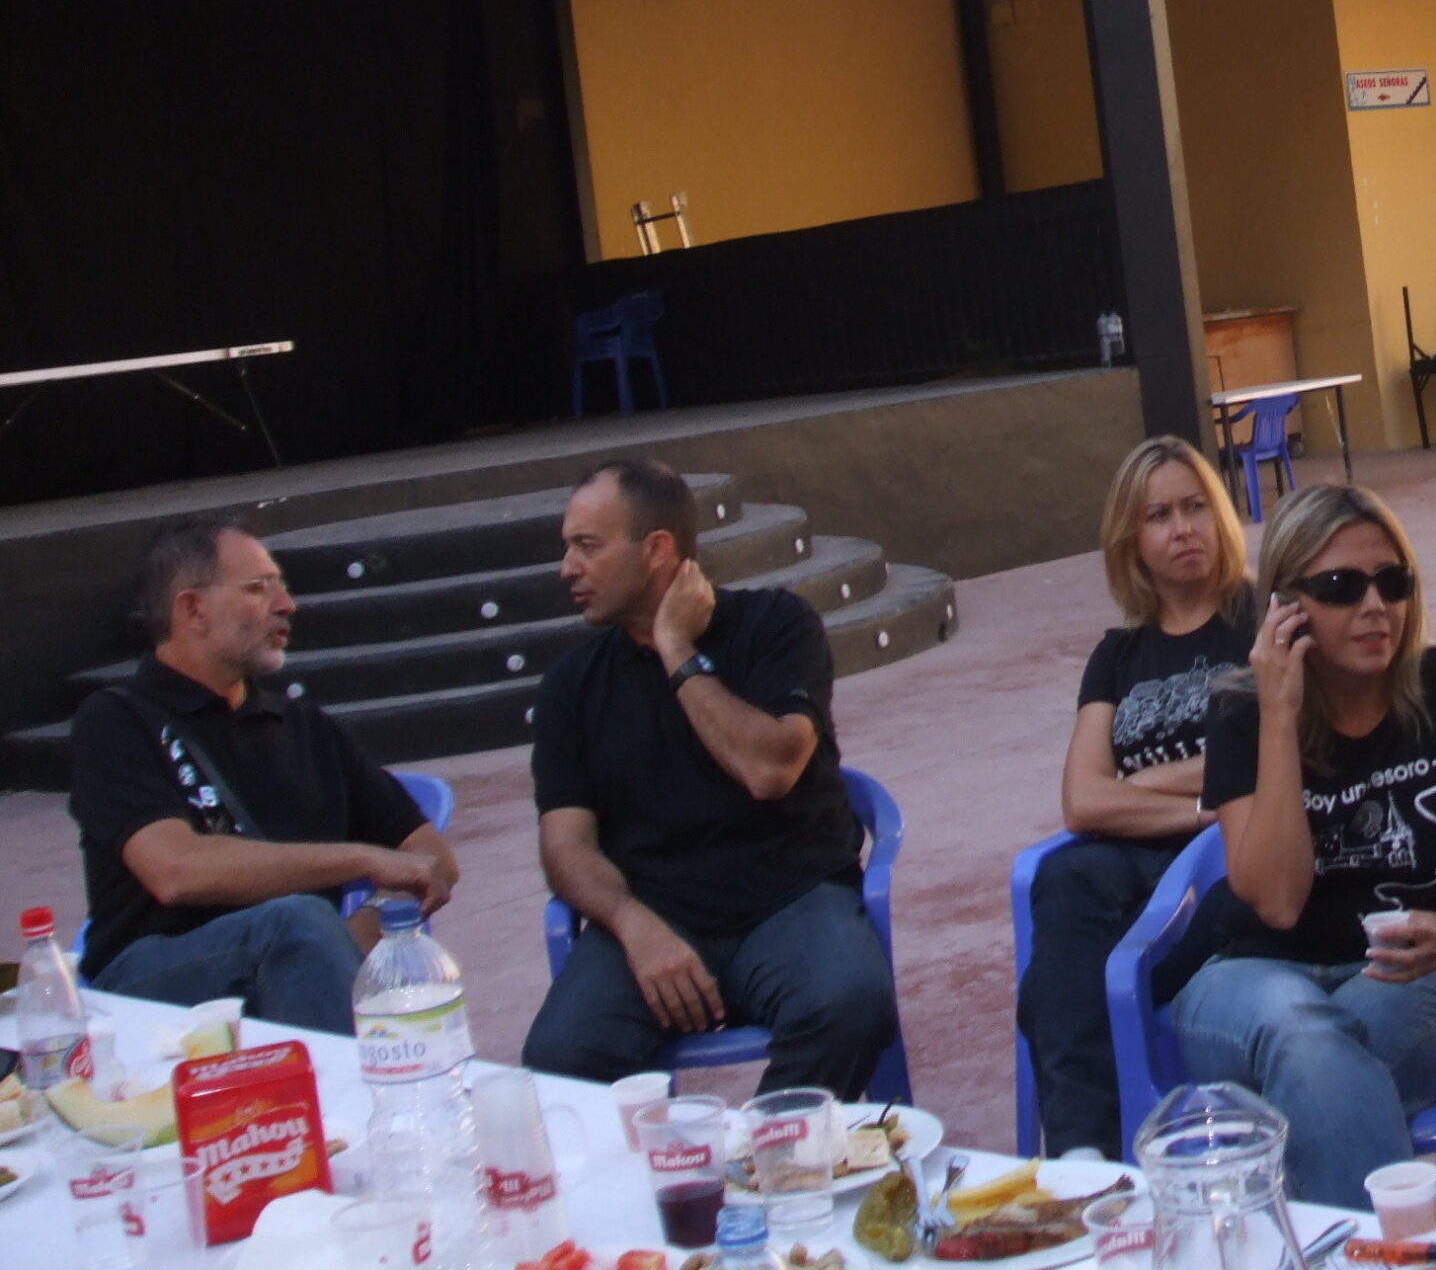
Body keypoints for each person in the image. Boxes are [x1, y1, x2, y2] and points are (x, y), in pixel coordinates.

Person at [1175, 483, 1436, 1207]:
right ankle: (1389, 1248)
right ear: (1286, 607)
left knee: (1310, 1054)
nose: (1375, 606)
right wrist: (1280, 717)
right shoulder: (1241, 710)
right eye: (1341, 588)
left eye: (1393, 581)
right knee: (1300, 1032)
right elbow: (1277, 903)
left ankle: (1322, 1241)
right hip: (1252, 976)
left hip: (1421, 976)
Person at [522, 458, 897, 1096]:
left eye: (587, 546)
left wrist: (676, 650)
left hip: (792, 900)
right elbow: (565, 845)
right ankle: (669, 1161)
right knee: (559, 1059)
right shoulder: (570, 687)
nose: (567, 568)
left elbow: (769, 770)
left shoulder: (777, 625)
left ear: (657, 549)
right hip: (653, 915)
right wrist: (632, 925)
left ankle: (769, 1148)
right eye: (568, 548)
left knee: (850, 1005)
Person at [68, 520, 457, 1033]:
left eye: (282, 586)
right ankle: (378, 1074)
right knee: (297, 922)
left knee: (305, 930)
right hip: (153, 983)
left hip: (297, 968)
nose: (286, 605)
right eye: (258, 588)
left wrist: (370, 920)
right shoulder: (116, 721)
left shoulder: (305, 727)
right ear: (192, 610)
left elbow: (432, 857)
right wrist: (361, 859)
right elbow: (175, 870)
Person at [1018, 436, 1255, 1159]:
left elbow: (1282, 750)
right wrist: (1203, 799)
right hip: (1133, 859)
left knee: (1059, 987)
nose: (1183, 529)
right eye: (1159, 516)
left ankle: (1086, 1150)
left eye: (1195, 507)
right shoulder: (1116, 656)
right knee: (1064, 878)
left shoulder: (1259, 621)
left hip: (1231, 860)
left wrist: (1146, 783)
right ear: (1133, 543)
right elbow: (1084, 801)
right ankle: (1084, 1161)